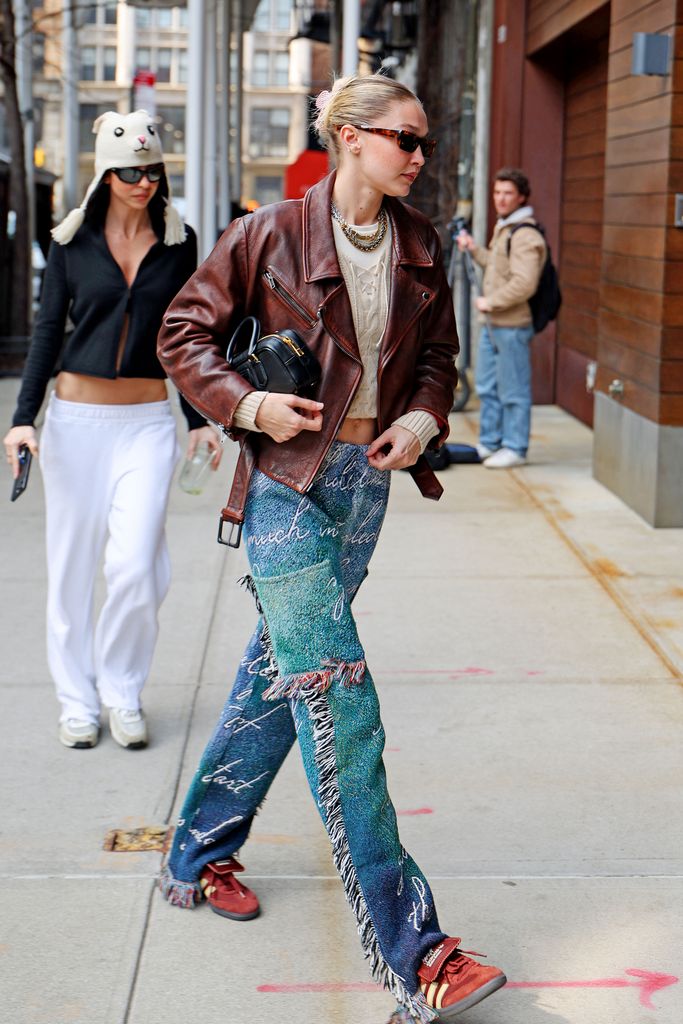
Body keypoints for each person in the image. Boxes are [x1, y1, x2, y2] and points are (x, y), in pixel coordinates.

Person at [156, 74, 506, 1022]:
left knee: (281, 674)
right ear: (350, 138)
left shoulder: (422, 244)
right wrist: (249, 403)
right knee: (338, 695)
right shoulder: (265, 234)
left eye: (424, 142)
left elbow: (437, 358)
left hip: (364, 486)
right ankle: (420, 954)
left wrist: (424, 421)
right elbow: (183, 333)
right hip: (283, 486)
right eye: (405, 139)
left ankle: (194, 853)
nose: (420, 156)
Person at [3, 109, 221, 751]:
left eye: (151, 170)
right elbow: (47, 334)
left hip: (148, 422)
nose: (142, 181)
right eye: (129, 170)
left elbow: (187, 338)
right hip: (76, 424)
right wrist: (23, 420)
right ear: (105, 171)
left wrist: (198, 419)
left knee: (133, 566)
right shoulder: (71, 244)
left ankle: (121, 690)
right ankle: (77, 700)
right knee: (70, 567)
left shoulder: (181, 244)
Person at [458, 167, 546, 468]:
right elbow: (498, 267)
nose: (501, 198)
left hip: (512, 326)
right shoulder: (505, 228)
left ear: (521, 197)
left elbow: (525, 283)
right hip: (493, 324)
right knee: (486, 387)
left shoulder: (525, 235)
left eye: (508, 193)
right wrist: (474, 250)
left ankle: (515, 448)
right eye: (497, 192)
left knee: (513, 390)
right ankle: (490, 442)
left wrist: (490, 302)